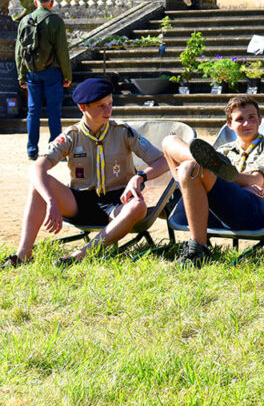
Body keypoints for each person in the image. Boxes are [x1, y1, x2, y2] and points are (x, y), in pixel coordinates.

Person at [1, 78, 167, 268]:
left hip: (117, 203)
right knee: (39, 183)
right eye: (101, 106)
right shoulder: (71, 136)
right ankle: (23, 255)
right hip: (79, 202)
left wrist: (140, 176)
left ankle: (80, 255)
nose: (108, 111)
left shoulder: (123, 132)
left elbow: (162, 160)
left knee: (138, 206)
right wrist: (50, 200)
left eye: (110, 104)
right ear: (82, 107)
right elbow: (37, 167)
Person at [161, 95, 264, 268]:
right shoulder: (224, 150)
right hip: (216, 211)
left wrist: (232, 181)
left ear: (260, 120)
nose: (247, 123)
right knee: (171, 143)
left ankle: (198, 248)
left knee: (192, 168)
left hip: (254, 210)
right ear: (229, 124)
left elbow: (256, 180)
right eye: (240, 119)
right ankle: (206, 164)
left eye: (252, 118)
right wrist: (234, 183)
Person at [15, 0, 72, 161]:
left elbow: (19, 51)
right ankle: (55, 150)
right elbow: (62, 51)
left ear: (35, 3)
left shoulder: (25, 21)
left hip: (32, 72)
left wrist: (21, 75)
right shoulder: (55, 21)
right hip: (52, 72)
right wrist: (67, 75)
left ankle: (32, 150)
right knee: (54, 111)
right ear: (52, 3)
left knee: (33, 111)